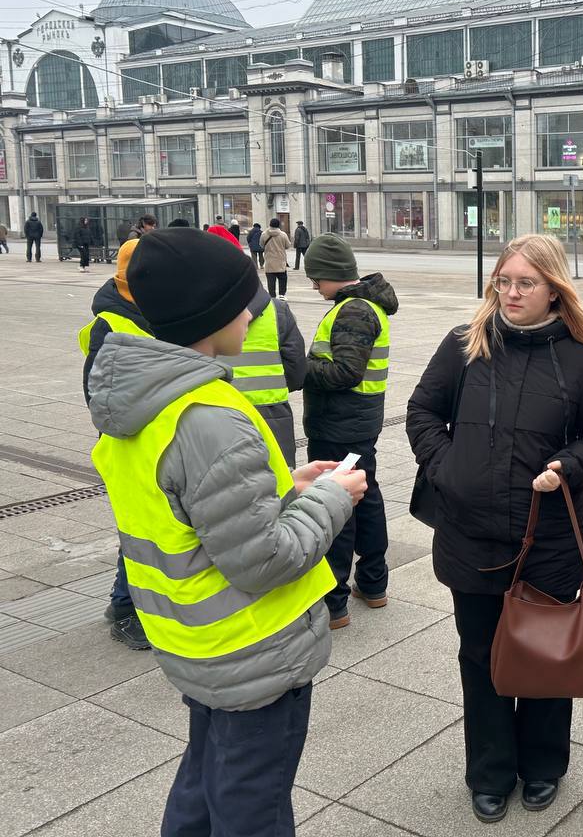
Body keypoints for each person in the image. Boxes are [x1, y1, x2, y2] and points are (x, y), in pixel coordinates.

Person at [86, 228, 367, 835]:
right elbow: (265, 559)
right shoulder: (209, 417)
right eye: (242, 301)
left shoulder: (146, 402)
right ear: (210, 315)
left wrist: (285, 482)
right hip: (252, 650)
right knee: (251, 805)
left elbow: (189, 506)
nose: (252, 311)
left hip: (194, 640)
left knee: (203, 781)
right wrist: (330, 499)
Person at [407, 234, 583, 824]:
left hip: (548, 536)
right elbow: (422, 412)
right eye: (503, 280)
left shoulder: (581, 357)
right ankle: (491, 772)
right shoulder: (465, 345)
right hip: (470, 534)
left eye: (525, 282)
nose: (511, 292)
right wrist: (449, 469)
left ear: (555, 289)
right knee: (481, 657)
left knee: (548, 655)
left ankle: (544, 765)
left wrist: (568, 467)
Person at [303, 234, 399, 630]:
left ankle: (334, 602)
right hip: (358, 420)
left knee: (337, 505)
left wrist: (300, 368)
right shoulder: (362, 306)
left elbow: (345, 372)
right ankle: (373, 585)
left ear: (331, 275)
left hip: (340, 423)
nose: (313, 286)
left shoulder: (354, 311)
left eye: (316, 278)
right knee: (367, 497)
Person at [79, 238, 153, 651]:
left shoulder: (150, 309)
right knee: (138, 527)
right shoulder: (113, 322)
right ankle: (124, 608)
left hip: (155, 436)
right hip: (127, 439)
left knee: (152, 524)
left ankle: (131, 602)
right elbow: (98, 395)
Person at [206, 226, 306, 466]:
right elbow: (297, 371)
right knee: (280, 486)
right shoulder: (277, 311)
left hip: (215, 417)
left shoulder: (196, 316)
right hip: (272, 415)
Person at [262, 218, 293, 300]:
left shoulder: (264, 234)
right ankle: (282, 294)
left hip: (269, 261)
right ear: (278, 225)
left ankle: (272, 296)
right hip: (280, 260)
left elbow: (261, 245)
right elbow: (288, 246)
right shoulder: (283, 235)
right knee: (283, 278)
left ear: (270, 224)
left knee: (271, 280)